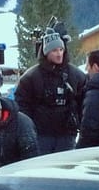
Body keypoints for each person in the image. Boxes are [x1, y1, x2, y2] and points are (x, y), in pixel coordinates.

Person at [14, 27, 86, 155]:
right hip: (41, 134)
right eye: (54, 50)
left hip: (67, 134)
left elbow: (84, 103)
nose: (59, 54)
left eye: (61, 49)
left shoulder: (76, 75)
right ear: (46, 53)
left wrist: (78, 122)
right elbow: (22, 106)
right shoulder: (30, 78)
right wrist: (30, 128)